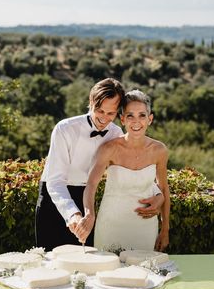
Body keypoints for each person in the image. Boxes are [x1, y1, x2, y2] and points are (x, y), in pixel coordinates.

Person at [35, 79, 164, 251]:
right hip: (55, 198)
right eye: (100, 111)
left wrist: (158, 194)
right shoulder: (64, 129)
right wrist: (72, 214)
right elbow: (55, 181)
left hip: (87, 198)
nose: (104, 119)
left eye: (111, 113)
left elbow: (132, 170)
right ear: (90, 103)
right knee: (50, 264)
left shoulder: (116, 134)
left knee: (86, 265)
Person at [76, 89, 170, 252]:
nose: (136, 121)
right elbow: (91, 184)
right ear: (122, 120)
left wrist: (165, 229)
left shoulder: (159, 150)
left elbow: (163, 188)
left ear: (150, 119)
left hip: (145, 226)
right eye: (130, 116)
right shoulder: (109, 149)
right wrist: (89, 214)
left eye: (142, 115)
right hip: (111, 225)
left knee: (145, 274)